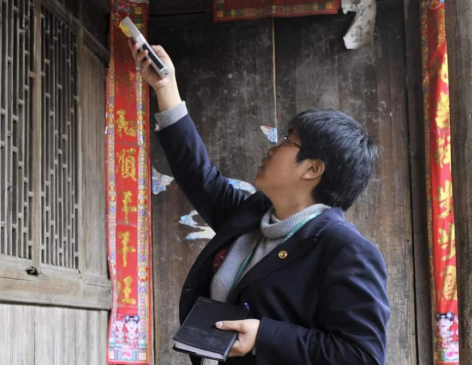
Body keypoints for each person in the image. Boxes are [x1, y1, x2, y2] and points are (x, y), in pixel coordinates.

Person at [130, 41, 390, 365]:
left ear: (313, 168)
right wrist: (165, 86)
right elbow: (197, 175)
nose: (272, 148)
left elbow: (363, 356)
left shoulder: (344, 249)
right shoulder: (251, 217)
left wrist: (264, 337)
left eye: (287, 141)